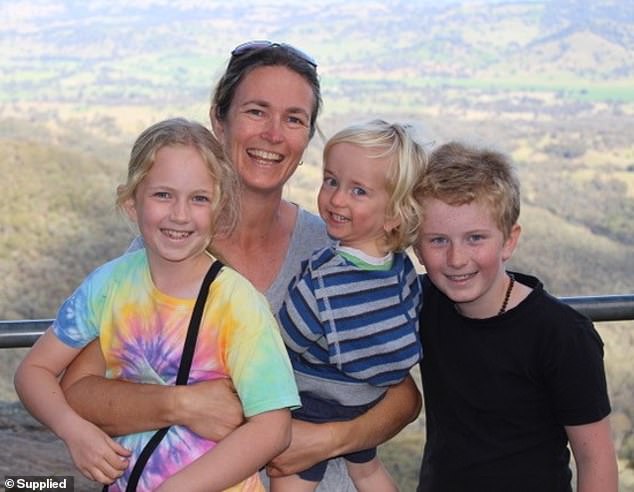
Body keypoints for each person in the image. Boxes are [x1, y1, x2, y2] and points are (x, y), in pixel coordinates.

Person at [59, 41, 422, 490]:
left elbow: (402, 395)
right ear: (219, 119)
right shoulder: (166, 249)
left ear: (307, 140)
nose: (273, 133)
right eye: (256, 111)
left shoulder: (334, 246)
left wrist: (329, 438)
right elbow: (82, 392)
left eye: (293, 119)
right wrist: (182, 404)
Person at [14, 118, 300, 491]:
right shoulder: (109, 285)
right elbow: (33, 370)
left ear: (220, 208)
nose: (179, 214)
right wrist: (75, 431)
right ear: (132, 203)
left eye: (199, 198)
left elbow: (273, 427)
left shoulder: (238, 305)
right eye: (163, 195)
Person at [412, 141, 618, 491]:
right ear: (416, 247)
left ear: (509, 241)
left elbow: (595, 457)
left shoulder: (560, 334)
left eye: (475, 238)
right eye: (438, 240)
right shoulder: (420, 302)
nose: (457, 258)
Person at [272, 120, 427, 492]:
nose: (337, 199)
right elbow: (409, 313)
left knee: (288, 479)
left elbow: (285, 338)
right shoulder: (400, 268)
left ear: (394, 214)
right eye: (331, 181)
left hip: (313, 405)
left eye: (358, 191)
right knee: (368, 471)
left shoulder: (325, 279)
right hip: (367, 401)